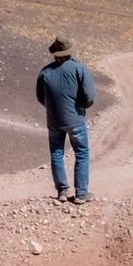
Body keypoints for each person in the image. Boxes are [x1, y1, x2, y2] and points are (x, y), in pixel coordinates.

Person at [35, 36, 95, 203]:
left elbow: (40, 97)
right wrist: (80, 107)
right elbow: (89, 96)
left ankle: (62, 191)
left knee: (56, 153)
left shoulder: (45, 72)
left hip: (54, 121)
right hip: (76, 119)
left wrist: (54, 109)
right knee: (81, 153)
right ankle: (81, 193)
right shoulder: (79, 69)